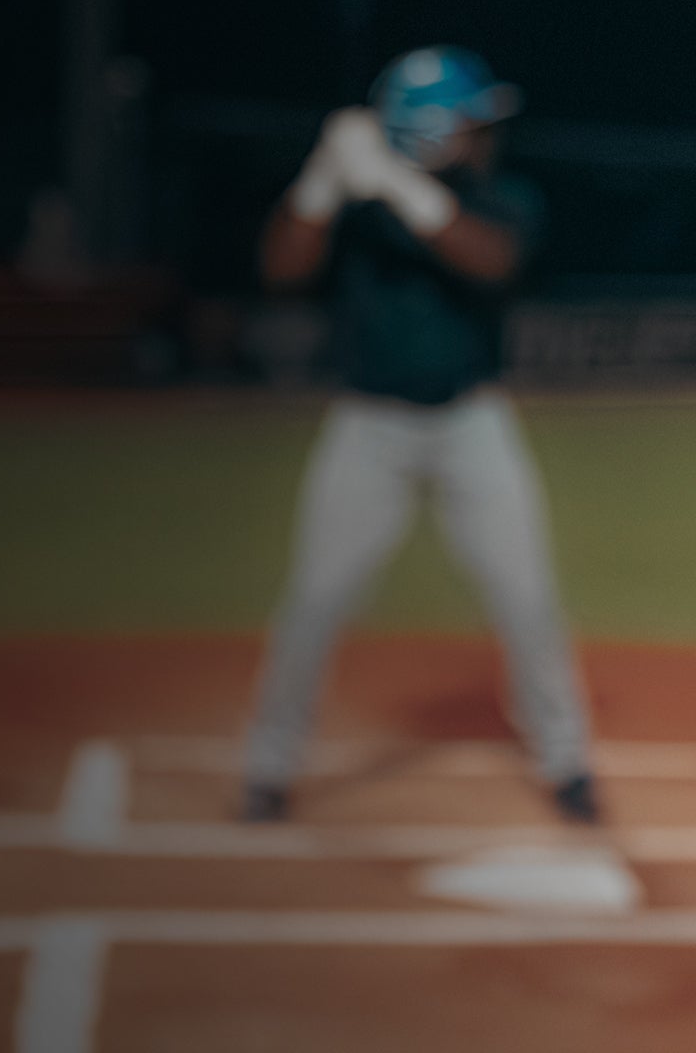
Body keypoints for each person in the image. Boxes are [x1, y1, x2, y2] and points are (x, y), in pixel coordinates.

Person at [241, 46, 597, 823]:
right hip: (367, 426)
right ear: (424, 129)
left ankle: (568, 761)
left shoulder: (501, 196)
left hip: (474, 421)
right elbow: (281, 268)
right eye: (468, 123)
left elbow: (490, 262)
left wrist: (399, 186)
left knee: (527, 598)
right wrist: (320, 182)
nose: (482, 135)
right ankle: (268, 767)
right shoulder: (358, 206)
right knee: (315, 601)